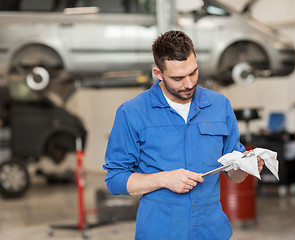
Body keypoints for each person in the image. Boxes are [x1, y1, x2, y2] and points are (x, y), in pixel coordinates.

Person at [103, 30, 265, 240]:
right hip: (161, 230)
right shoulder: (132, 112)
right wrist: (164, 179)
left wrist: (246, 167)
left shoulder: (219, 105)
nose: (188, 84)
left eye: (193, 73)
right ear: (158, 73)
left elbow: (233, 173)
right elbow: (115, 179)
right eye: (178, 78)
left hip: (210, 230)